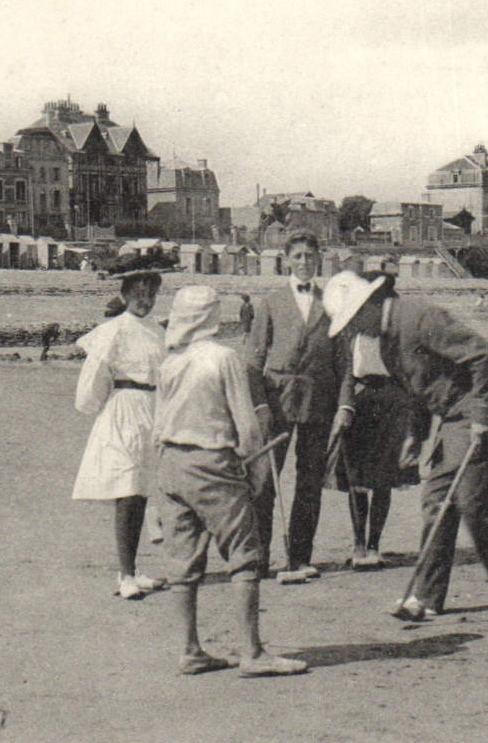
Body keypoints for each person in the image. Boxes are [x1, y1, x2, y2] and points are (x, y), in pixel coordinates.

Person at [321, 270, 488, 626]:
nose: (355, 330)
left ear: (370, 304)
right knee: (436, 501)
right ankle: (426, 596)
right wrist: (415, 436)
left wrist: (481, 414)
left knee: (471, 502)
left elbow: (482, 355)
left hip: (483, 416)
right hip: (451, 421)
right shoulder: (388, 344)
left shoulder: (419, 317)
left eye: (355, 320)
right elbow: (420, 393)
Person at [156, 285, 308, 677]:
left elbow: (158, 426)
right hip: (213, 463)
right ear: (212, 317)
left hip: (171, 464)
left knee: (183, 563)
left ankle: (189, 650)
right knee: (245, 554)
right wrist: (255, 471)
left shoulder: (169, 363)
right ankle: (252, 654)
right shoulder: (224, 358)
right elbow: (247, 426)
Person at [244, 229, 339, 584]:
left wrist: (343, 405)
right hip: (277, 400)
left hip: (319, 400)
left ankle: (300, 558)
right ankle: (258, 558)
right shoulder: (270, 302)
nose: (303, 263)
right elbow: (252, 363)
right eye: (297, 256)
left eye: (309, 257)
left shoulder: (332, 302)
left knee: (310, 481)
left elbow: (342, 360)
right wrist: (259, 406)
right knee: (264, 480)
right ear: (286, 260)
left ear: (319, 260)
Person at [72, 269, 169, 600]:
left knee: (141, 491)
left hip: (151, 410)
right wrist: (97, 407)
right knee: (126, 492)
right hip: (124, 410)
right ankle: (125, 574)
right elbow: (94, 379)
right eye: (139, 294)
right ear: (126, 295)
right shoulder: (113, 330)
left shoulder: (158, 330)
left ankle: (134, 569)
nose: (145, 301)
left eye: (151, 294)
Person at [327, 272, 420, 570]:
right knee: (356, 479)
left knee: (384, 480)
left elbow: (410, 372)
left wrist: (408, 412)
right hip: (360, 402)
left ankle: (374, 546)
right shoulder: (351, 327)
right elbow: (345, 373)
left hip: (392, 404)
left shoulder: (396, 328)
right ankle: (357, 545)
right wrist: (345, 406)